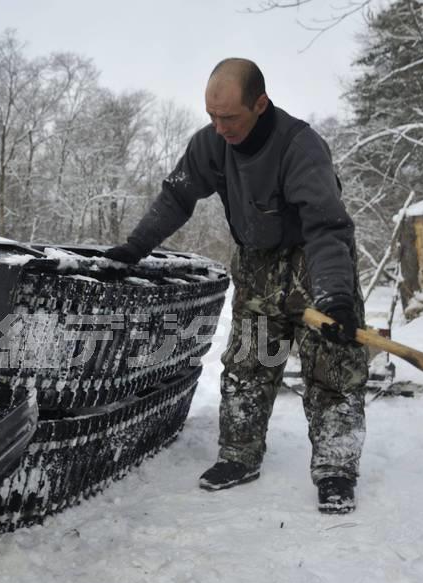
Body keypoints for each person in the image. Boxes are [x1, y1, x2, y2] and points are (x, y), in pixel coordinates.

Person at [105, 58, 368, 514]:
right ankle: (239, 456)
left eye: (230, 117)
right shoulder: (211, 145)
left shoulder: (300, 147)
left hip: (311, 259)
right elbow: (177, 196)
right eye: (212, 116)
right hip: (256, 265)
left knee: (332, 368)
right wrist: (135, 247)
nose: (220, 126)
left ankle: (335, 470)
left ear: (260, 104)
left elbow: (327, 228)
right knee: (249, 363)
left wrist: (337, 298)